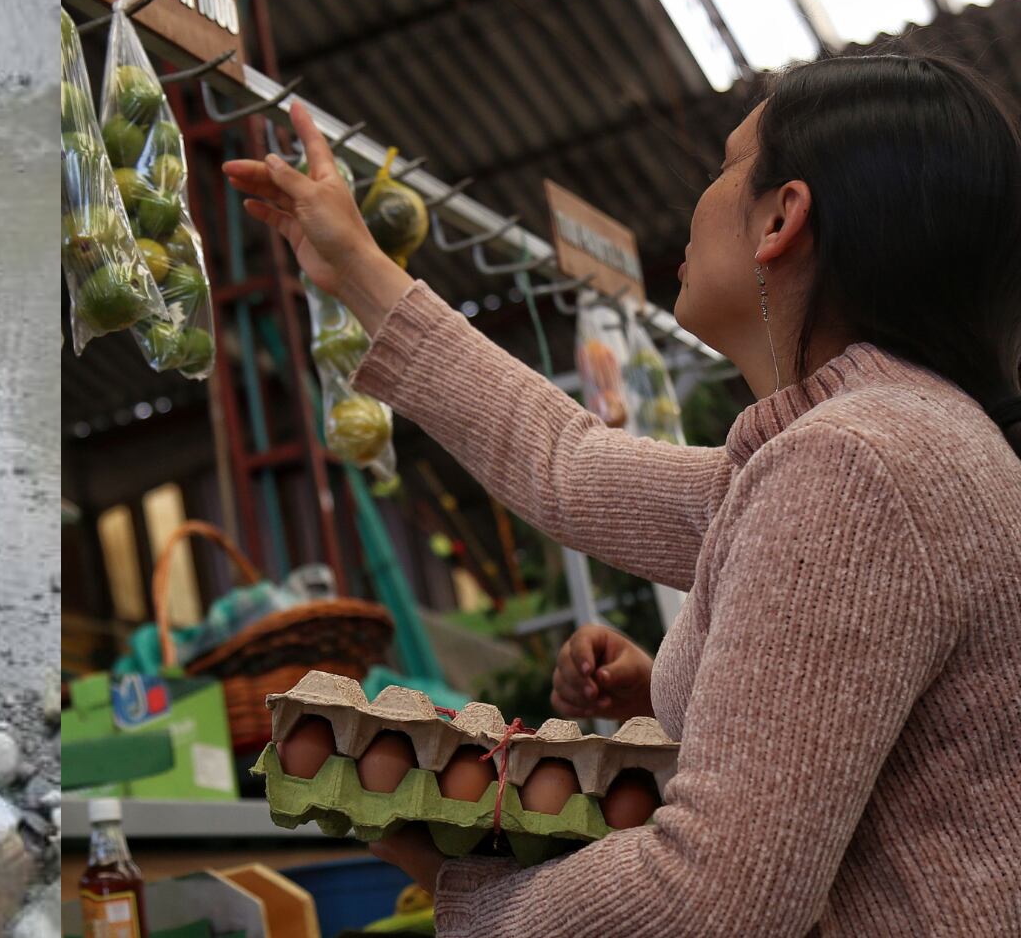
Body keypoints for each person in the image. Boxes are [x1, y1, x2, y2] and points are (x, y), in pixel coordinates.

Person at [223, 55, 1021, 936]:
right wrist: (358, 268)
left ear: (783, 217)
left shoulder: (854, 466)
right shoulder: (903, 441)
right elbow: (567, 464)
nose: (702, 196)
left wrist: (472, 904)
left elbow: (713, 896)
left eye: (724, 167)